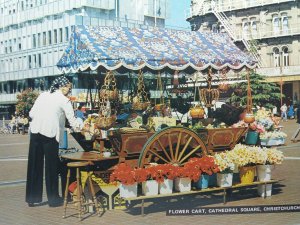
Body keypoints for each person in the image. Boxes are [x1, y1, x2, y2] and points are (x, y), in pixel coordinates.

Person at [26, 76, 83, 207]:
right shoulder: (64, 100)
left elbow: (31, 113)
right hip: (50, 134)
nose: (70, 90)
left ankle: (32, 198)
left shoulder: (43, 95)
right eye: (69, 87)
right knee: (51, 166)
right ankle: (53, 199)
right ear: (62, 87)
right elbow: (73, 121)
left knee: (34, 165)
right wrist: (81, 127)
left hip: (35, 131)